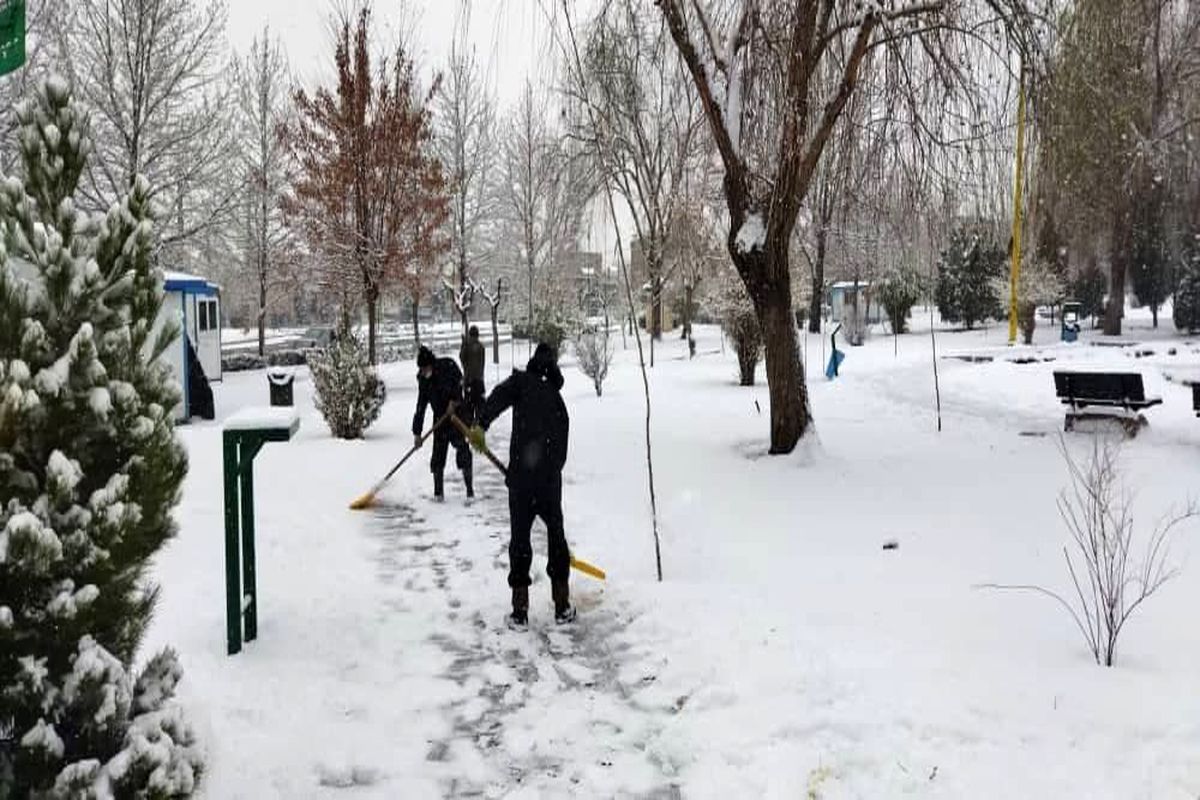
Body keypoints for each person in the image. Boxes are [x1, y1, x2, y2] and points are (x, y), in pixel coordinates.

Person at [468, 343, 573, 627]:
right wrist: (549, 472)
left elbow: (498, 398)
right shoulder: (556, 399)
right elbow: (561, 447)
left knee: (520, 539)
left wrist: (481, 425)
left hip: (522, 483)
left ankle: (520, 609)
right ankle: (562, 605)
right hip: (549, 483)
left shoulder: (521, 383)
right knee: (556, 537)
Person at [413, 345, 473, 501]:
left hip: (456, 417)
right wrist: (417, 433)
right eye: (422, 370)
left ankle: (470, 491)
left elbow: (461, 383)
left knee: (462, 450)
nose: (424, 372)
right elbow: (421, 406)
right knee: (438, 456)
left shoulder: (448, 366)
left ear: (431, 364)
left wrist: (454, 401)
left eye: (426, 368)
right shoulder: (424, 381)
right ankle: (438, 493)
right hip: (440, 418)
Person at [459, 325, 486, 424]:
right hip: (478, 380)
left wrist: (464, 345)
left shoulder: (468, 346)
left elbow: (462, 359)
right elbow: (482, 363)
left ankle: (471, 425)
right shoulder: (480, 346)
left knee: (469, 408)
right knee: (479, 407)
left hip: (470, 381)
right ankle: (477, 425)